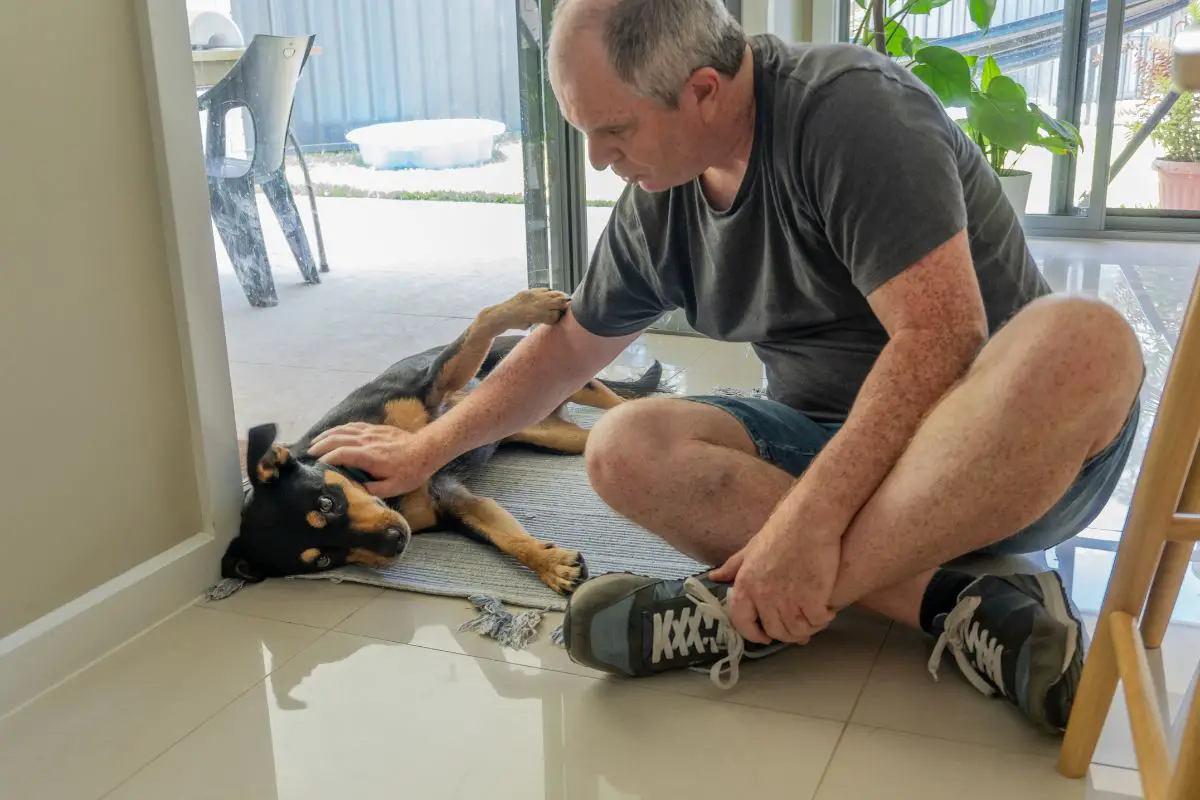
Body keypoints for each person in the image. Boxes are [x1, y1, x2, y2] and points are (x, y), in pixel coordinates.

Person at [308, 0, 1145, 734]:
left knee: (1082, 337)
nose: (598, 160)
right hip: (826, 436)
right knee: (622, 445)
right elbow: (565, 350)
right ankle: (955, 605)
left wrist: (805, 524)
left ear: (704, 90)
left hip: (999, 461)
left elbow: (941, 341)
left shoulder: (851, 113)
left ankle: (731, 614)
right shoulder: (664, 192)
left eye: (614, 129)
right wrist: (427, 452)